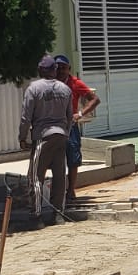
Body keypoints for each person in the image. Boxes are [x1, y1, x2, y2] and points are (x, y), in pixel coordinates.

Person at [19, 56, 72, 225]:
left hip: (43, 136)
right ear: (54, 70)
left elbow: (26, 117)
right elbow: (69, 117)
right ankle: (58, 214)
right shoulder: (65, 89)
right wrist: (66, 133)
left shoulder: (34, 88)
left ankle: (36, 216)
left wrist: (22, 137)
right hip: (61, 136)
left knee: (35, 177)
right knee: (59, 176)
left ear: (40, 70)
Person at [51, 55, 100, 206]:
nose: (60, 71)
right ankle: (56, 191)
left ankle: (71, 190)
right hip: (53, 126)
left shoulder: (75, 83)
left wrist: (79, 114)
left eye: (63, 68)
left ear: (69, 69)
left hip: (70, 126)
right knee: (55, 159)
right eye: (58, 68)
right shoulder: (49, 83)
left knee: (73, 158)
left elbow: (95, 99)